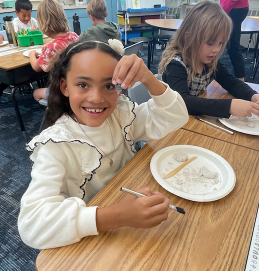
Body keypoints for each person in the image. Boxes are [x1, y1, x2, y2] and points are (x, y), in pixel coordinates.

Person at [18, 39, 189, 249]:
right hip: (92, 237)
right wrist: (118, 216)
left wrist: (147, 78)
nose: (97, 98)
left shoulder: (120, 115)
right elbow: (31, 225)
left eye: (108, 86)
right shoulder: (56, 144)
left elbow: (176, 117)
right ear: (64, 87)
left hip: (128, 215)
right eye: (83, 85)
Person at [159, 1, 259, 119]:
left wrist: (253, 95)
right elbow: (182, 102)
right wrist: (229, 106)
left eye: (221, 43)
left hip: (190, 119)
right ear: (188, 38)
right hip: (168, 120)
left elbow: (231, 82)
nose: (216, 49)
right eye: (210, 43)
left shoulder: (209, 61)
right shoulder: (175, 65)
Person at [30, 0, 79, 102]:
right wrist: (49, 46)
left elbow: (36, 67)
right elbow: (62, 44)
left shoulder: (51, 48)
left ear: (44, 24)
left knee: (36, 93)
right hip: (77, 84)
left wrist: (32, 54)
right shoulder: (74, 36)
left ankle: (54, 115)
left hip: (60, 91)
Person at [220, 0, 252, 81]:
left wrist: (222, 11)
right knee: (229, 44)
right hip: (235, 6)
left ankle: (240, 80)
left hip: (233, 8)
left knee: (233, 46)